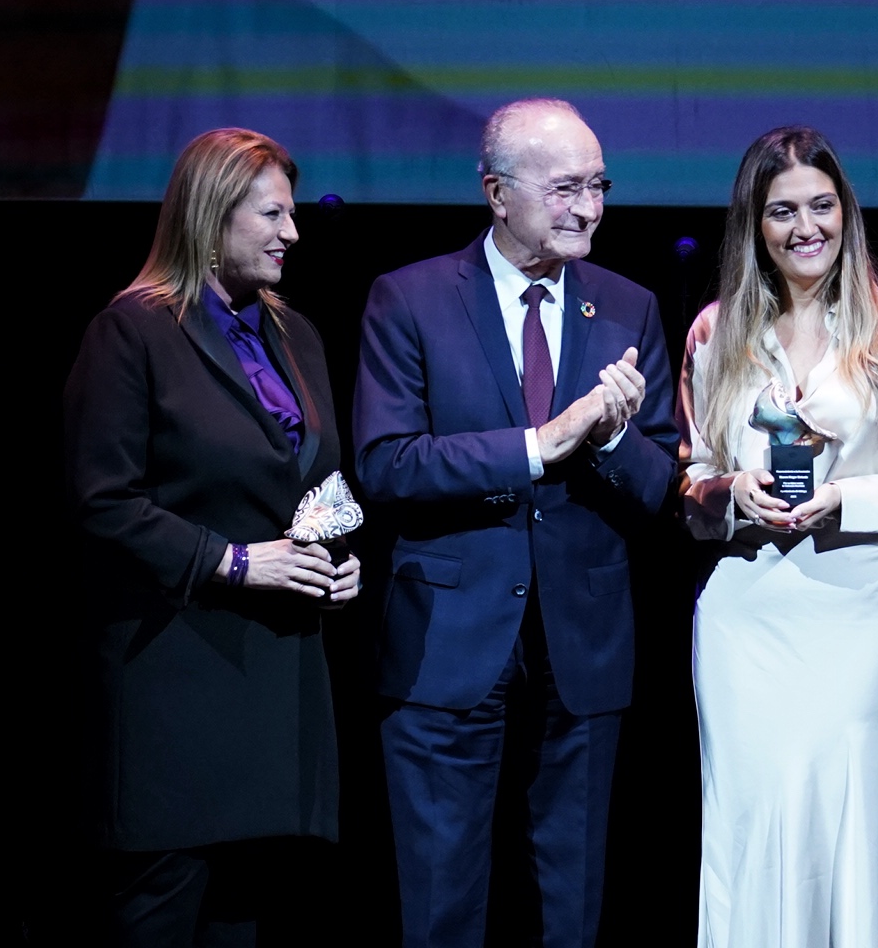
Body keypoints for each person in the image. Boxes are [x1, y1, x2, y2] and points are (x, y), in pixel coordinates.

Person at [353, 99, 679, 947]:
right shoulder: (411, 298)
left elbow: (661, 486)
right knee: (441, 907)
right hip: (449, 640)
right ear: (498, 193)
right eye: (565, 188)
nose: (590, 208)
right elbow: (388, 464)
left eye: (598, 186)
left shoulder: (627, 306)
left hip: (583, 641)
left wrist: (608, 437)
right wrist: (541, 444)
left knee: (570, 910)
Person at [63, 128, 361, 946]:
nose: (292, 234)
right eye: (271, 214)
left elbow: (316, 482)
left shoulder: (294, 335)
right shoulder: (132, 334)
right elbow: (103, 502)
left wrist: (337, 561)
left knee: (243, 925)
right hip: (177, 681)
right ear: (210, 215)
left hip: (276, 681)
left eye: (292, 215)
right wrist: (228, 562)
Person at [678, 126, 878, 948]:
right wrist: (734, 491)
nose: (806, 227)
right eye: (781, 211)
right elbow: (692, 485)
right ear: (754, 226)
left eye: (821, 205)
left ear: (846, 213)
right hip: (750, 612)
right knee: (752, 829)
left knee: (853, 824)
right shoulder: (715, 333)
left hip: (864, 608)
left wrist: (844, 497)